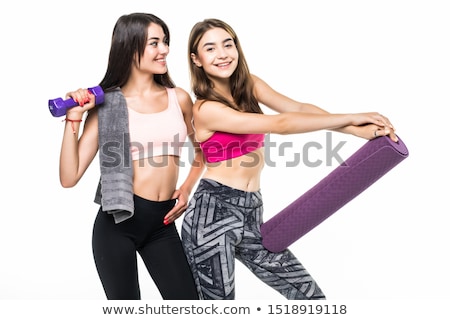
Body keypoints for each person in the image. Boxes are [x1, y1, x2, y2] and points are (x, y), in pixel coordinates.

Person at [180, 18, 398, 300]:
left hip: (251, 211)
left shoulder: (249, 84)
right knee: (220, 309)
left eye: (228, 44)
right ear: (196, 60)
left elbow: (296, 108)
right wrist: (353, 117)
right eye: (210, 49)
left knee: (310, 299)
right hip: (211, 214)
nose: (222, 54)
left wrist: (356, 130)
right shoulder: (205, 108)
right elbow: (281, 124)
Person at [58, 13, 204, 300]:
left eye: (164, 41)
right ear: (130, 46)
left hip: (163, 223)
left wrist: (186, 189)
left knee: (187, 306)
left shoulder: (180, 98)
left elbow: (202, 151)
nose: (164, 50)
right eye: (154, 43)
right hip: (118, 224)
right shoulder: (107, 104)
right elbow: (69, 176)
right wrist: (73, 119)